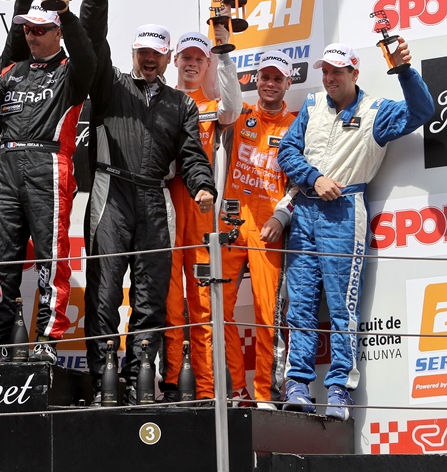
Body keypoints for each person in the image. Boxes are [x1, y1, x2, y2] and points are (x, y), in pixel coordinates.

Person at [277, 41, 433, 419]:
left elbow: (422, 110)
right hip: (304, 210)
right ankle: (297, 384)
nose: (329, 78)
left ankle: (339, 390)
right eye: (326, 71)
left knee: (343, 307)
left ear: (354, 73)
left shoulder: (376, 111)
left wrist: (404, 71)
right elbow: (287, 152)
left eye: (337, 71)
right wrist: (313, 179)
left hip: (345, 211)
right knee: (300, 305)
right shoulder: (313, 105)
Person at [81, 18, 217, 406]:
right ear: (133, 53)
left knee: (151, 298)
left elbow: (192, 154)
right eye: (143, 52)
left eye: (156, 53)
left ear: (167, 57)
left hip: (155, 198)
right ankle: (104, 380)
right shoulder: (110, 84)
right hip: (111, 192)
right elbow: (93, 42)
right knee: (104, 293)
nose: (149, 59)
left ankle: (138, 378)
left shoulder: (181, 103)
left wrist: (202, 185)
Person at [0, 0, 99, 363]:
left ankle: (47, 339)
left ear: (58, 33)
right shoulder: (10, 73)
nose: (32, 36)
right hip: (6, 167)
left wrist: (68, 13)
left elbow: (87, 54)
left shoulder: (72, 72)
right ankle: (3, 343)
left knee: (52, 256)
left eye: (41, 30)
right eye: (28, 29)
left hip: (49, 162)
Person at [160, 25, 242, 400]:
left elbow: (232, 108)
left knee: (203, 300)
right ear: (175, 60)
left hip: (202, 205)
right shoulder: (161, 101)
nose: (192, 64)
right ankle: (172, 381)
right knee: (169, 299)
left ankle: (207, 388)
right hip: (165, 202)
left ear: (207, 64)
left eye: (199, 59)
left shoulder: (212, 108)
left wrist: (224, 56)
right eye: (186, 58)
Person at [217, 51, 297, 409]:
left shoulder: (296, 125)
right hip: (231, 223)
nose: (270, 84)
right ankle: (236, 388)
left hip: (269, 228)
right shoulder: (240, 115)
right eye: (265, 77)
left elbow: (299, 183)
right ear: (256, 80)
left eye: (277, 78)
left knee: (269, 315)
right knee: (218, 308)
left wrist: (282, 215)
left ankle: (266, 393)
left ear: (288, 82)